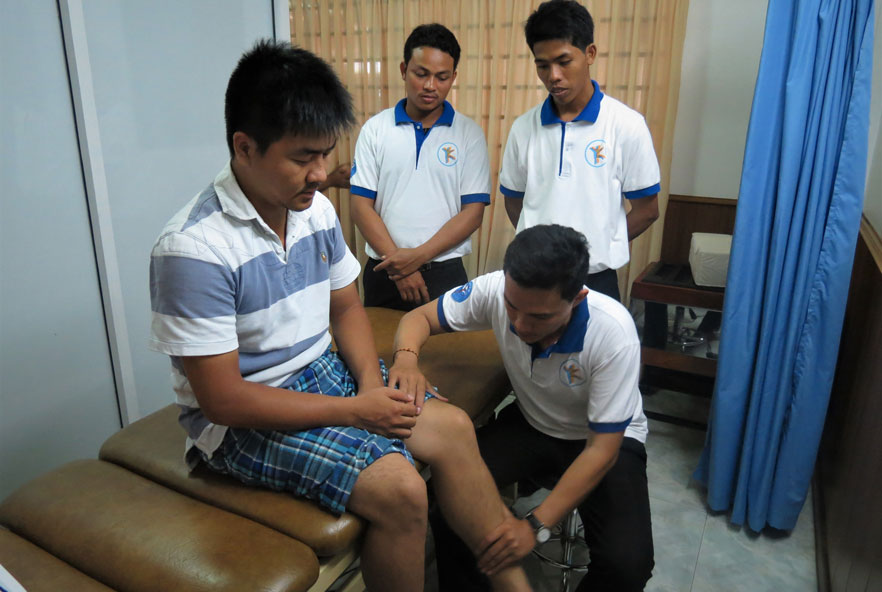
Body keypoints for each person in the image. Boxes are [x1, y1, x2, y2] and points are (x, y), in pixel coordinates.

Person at [149, 40, 530, 592]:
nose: (321, 173)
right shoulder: (194, 248)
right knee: (403, 491)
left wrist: (372, 385)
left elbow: (347, 305)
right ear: (245, 146)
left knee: (452, 428)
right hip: (241, 420)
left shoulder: (315, 212)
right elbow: (222, 401)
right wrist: (356, 411)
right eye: (303, 158)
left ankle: (514, 587)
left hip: (322, 371)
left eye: (326, 155)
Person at [391, 224, 654, 591]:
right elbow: (416, 318)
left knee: (627, 566)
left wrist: (535, 524)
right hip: (533, 422)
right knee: (445, 506)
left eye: (540, 317)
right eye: (512, 307)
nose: (520, 324)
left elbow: (602, 451)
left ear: (577, 299)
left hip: (600, 439)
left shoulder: (613, 333)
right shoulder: (495, 289)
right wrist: (406, 359)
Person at [499, 0, 661, 301]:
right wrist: (542, 251)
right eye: (542, 65)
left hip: (597, 279)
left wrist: (599, 247)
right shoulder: (523, 128)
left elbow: (647, 210)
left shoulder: (626, 124)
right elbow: (514, 200)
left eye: (564, 61)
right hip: (534, 276)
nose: (553, 76)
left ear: (590, 54)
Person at [350, 23, 490, 310]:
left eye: (442, 77)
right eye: (421, 74)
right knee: (378, 340)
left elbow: (473, 213)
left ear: (453, 77)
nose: (430, 86)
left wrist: (417, 258)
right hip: (384, 270)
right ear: (404, 70)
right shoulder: (375, 129)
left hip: (444, 273)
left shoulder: (469, 134)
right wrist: (400, 267)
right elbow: (361, 206)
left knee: (445, 342)